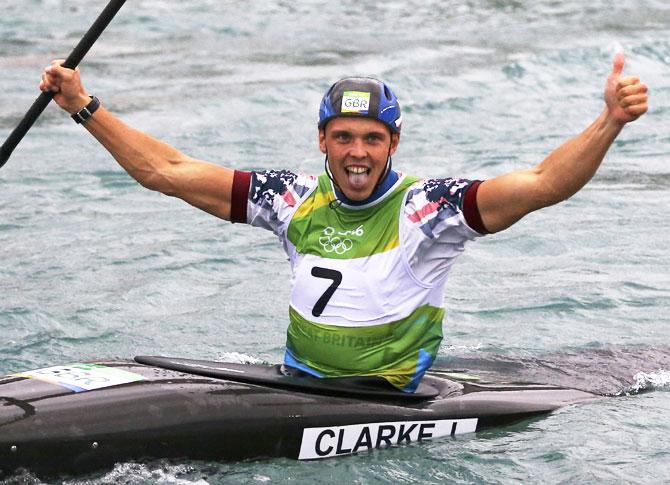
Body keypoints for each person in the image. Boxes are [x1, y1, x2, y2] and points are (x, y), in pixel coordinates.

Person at [39, 53, 648, 392]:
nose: (357, 152)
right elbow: (167, 170)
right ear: (323, 140)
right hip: (296, 382)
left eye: (372, 139)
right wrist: (83, 107)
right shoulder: (291, 196)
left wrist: (610, 121)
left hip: (384, 400)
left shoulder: (429, 209)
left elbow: (543, 185)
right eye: (343, 137)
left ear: (393, 143)